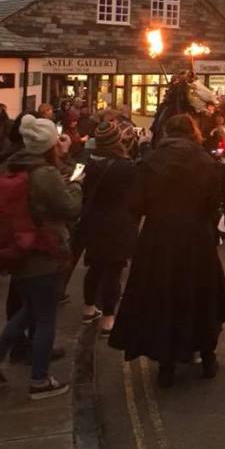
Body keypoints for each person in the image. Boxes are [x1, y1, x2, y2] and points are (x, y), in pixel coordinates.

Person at [109, 114, 225, 388]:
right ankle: (208, 356)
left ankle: (166, 365)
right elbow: (214, 204)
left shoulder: (151, 162)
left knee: (162, 298)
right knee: (201, 296)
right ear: (194, 133)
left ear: (166, 132)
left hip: (159, 239)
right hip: (196, 239)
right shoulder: (206, 162)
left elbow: (135, 205)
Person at [0, 115, 81, 399]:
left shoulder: (14, 166)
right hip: (43, 251)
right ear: (49, 144)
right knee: (46, 318)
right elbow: (70, 208)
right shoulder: (46, 174)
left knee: (28, 309)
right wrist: (76, 184)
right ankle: (39, 381)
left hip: (20, 251)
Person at [79, 122, 140, 337]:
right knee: (113, 271)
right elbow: (135, 195)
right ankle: (108, 318)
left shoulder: (89, 163)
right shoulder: (126, 166)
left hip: (94, 221)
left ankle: (88, 309)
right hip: (118, 222)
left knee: (94, 267)